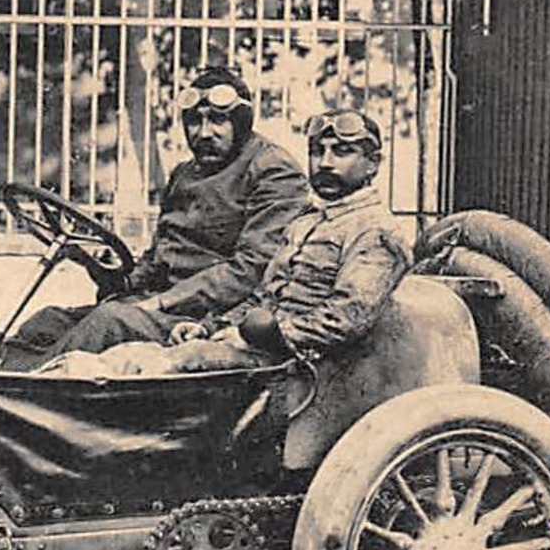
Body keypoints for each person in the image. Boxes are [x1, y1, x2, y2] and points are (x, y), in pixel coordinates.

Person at [43, 109, 413, 378]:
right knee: (124, 357)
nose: (325, 163)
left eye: (342, 152)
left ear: (372, 164)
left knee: (167, 364)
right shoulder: (306, 223)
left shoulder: (377, 231)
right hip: (255, 346)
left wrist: (268, 334)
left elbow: (347, 319)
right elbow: (262, 297)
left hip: (299, 366)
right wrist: (209, 326)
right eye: (318, 151)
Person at [0, 66, 308, 370]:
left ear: (241, 122)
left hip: (208, 319)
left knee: (110, 321)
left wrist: (158, 304)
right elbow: (162, 252)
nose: (204, 133)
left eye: (217, 121)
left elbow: (251, 268)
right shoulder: (184, 173)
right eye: (194, 122)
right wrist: (126, 279)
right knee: (48, 321)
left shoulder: (272, 169)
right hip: (156, 305)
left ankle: (10, 394)